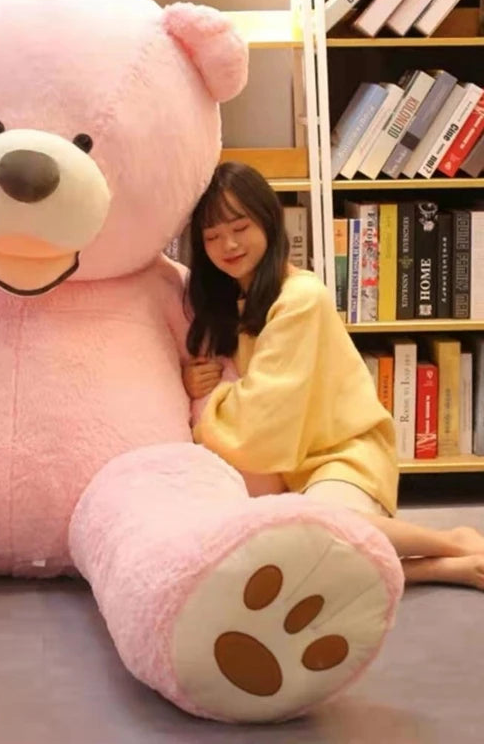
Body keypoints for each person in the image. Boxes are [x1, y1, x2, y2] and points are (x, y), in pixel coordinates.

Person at [183, 161, 484, 589]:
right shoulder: (231, 303)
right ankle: (440, 568)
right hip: (289, 470)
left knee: (321, 529)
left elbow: (261, 418)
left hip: (342, 455)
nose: (227, 244)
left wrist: (209, 401)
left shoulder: (299, 298)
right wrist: (193, 380)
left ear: (268, 219)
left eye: (240, 226)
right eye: (211, 236)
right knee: (294, 566)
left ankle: (450, 543)